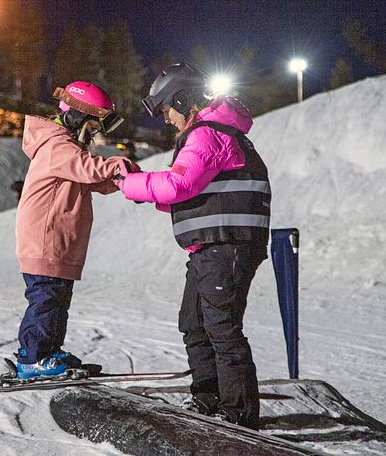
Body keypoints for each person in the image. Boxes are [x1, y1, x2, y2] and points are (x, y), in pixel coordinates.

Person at [115, 63, 271, 430]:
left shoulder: (206, 134)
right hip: (211, 246)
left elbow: (177, 186)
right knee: (195, 322)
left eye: (166, 109)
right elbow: (185, 192)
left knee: (221, 327)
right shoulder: (210, 134)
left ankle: (238, 412)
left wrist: (128, 184)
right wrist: (140, 183)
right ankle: (208, 396)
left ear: (182, 99)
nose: (166, 120)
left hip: (226, 246)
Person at [14, 81, 137, 379]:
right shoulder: (56, 144)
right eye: (92, 125)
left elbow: (92, 179)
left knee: (57, 300)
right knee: (45, 299)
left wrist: (124, 181)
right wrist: (117, 166)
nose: (94, 133)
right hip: (47, 239)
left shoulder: (66, 147)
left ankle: (49, 351)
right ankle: (33, 358)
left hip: (60, 240)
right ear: (76, 116)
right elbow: (85, 167)